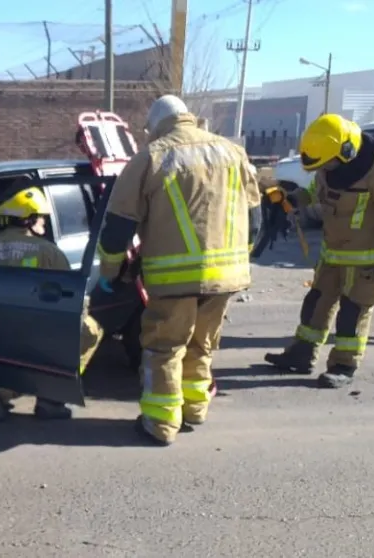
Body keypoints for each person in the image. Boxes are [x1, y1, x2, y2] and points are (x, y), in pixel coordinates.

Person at [94, 94, 262, 446]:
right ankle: (195, 408)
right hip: (226, 277)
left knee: (164, 348)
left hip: (174, 279)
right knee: (202, 344)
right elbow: (255, 218)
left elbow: (118, 226)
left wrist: (109, 271)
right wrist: (239, 260)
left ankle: (160, 422)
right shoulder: (232, 152)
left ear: (154, 126)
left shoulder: (151, 157)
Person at [264, 114, 374, 388]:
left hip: (368, 260)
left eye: (327, 164)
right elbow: (315, 191)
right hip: (332, 254)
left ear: (347, 150)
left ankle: (344, 364)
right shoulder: (330, 164)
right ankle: (302, 353)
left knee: (352, 313)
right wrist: (292, 200)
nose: (324, 169)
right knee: (316, 304)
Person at [0, 186, 105, 421]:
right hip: (32, 330)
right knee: (90, 331)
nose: (44, 223)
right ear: (28, 219)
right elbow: (71, 298)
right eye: (40, 217)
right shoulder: (49, 252)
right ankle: (50, 398)